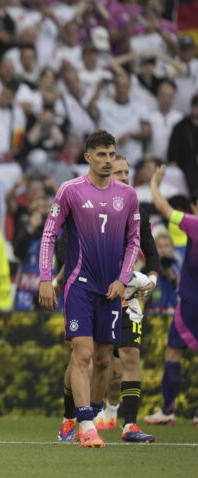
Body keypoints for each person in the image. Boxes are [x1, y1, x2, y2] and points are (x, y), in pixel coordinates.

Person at [39, 130, 141, 448]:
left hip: (111, 290)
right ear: (88, 157)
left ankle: (88, 415)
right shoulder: (70, 190)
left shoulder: (127, 195)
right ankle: (85, 422)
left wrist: (123, 280)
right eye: (101, 154)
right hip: (79, 284)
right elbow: (49, 235)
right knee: (81, 353)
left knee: (103, 361)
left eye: (112, 154)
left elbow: (133, 241)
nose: (108, 160)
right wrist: (45, 277)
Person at [85, 154, 159, 442]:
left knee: (130, 354)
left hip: (128, 296)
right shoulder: (88, 206)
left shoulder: (138, 211)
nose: (125, 177)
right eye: (119, 172)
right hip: (95, 293)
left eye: (127, 171)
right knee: (94, 359)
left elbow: (151, 252)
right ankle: (80, 418)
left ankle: (130, 425)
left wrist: (151, 277)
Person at [144, 166, 198, 427]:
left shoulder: (194, 223)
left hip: (190, 302)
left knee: (174, 352)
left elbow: (164, 209)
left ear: (194, 206)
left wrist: (154, 183)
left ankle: (167, 411)